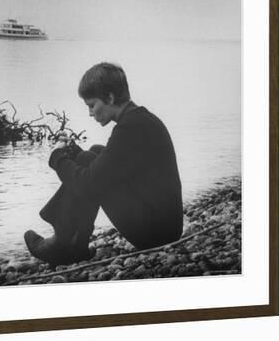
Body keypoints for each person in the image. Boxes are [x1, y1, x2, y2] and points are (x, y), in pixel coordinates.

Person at [24, 62, 183, 266]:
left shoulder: (130, 129)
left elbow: (88, 184)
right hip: (163, 226)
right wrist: (71, 150)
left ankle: (63, 243)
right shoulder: (140, 120)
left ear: (109, 97)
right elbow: (113, 166)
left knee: (87, 166)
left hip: (156, 235)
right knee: (96, 152)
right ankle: (74, 245)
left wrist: (57, 158)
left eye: (92, 105)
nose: (90, 113)